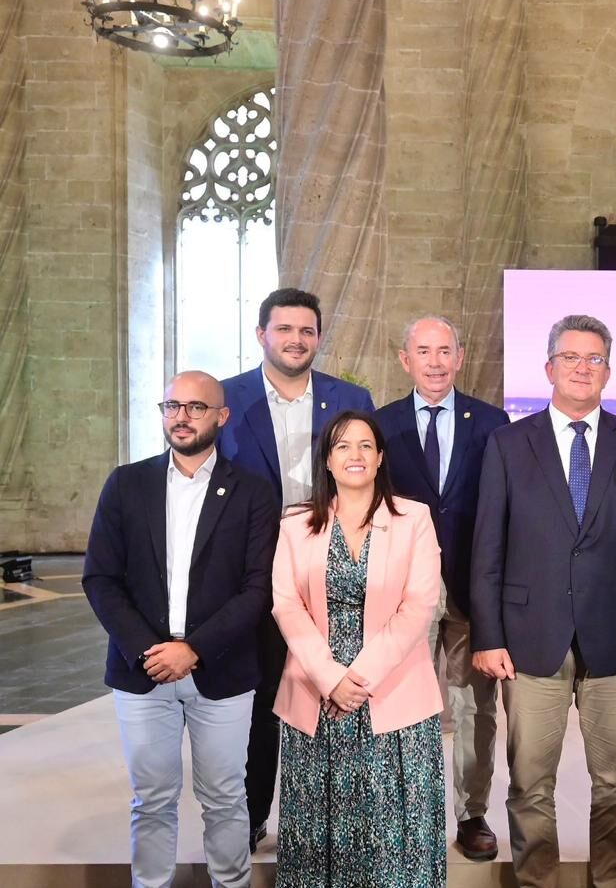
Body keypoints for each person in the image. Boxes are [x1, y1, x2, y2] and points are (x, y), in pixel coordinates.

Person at [471, 314, 616, 888]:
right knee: (530, 783)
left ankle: (614, 881)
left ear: (609, 371)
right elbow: (487, 548)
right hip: (529, 638)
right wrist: (488, 635)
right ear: (549, 367)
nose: (582, 368)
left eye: (594, 359)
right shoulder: (508, 444)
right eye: (571, 358)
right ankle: (537, 881)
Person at [83, 371, 278, 888]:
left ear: (221, 416)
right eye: (172, 406)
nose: (181, 417)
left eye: (195, 407)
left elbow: (258, 589)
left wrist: (193, 649)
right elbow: (100, 578)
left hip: (223, 671)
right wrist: (150, 649)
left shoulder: (253, 492)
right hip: (143, 670)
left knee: (226, 798)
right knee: (151, 800)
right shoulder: (126, 484)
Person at [217, 287, 376, 851]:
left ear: (318, 337)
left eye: (307, 330)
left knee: (333, 691)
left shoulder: (349, 397)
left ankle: (336, 822)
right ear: (261, 334)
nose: (296, 340)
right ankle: (252, 813)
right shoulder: (226, 397)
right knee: (262, 696)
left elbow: (365, 474)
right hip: (253, 571)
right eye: (284, 329)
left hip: (333, 569)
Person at [271, 411, 446, 886]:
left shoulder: (413, 519)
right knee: (320, 829)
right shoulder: (295, 523)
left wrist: (359, 678)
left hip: (394, 693)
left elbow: (419, 605)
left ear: (380, 457)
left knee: (393, 832)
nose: (355, 455)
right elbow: (286, 604)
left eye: (366, 445)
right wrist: (331, 678)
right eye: (343, 446)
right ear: (327, 460)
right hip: (317, 694)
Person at [374, 315, 510, 861]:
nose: (435, 362)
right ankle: (404, 809)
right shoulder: (380, 425)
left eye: (444, 351)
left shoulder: (493, 422)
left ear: (460, 357)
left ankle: (471, 814)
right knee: (400, 700)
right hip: (405, 588)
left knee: (475, 705)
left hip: (474, 587)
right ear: (405, 360)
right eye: (424, 352)